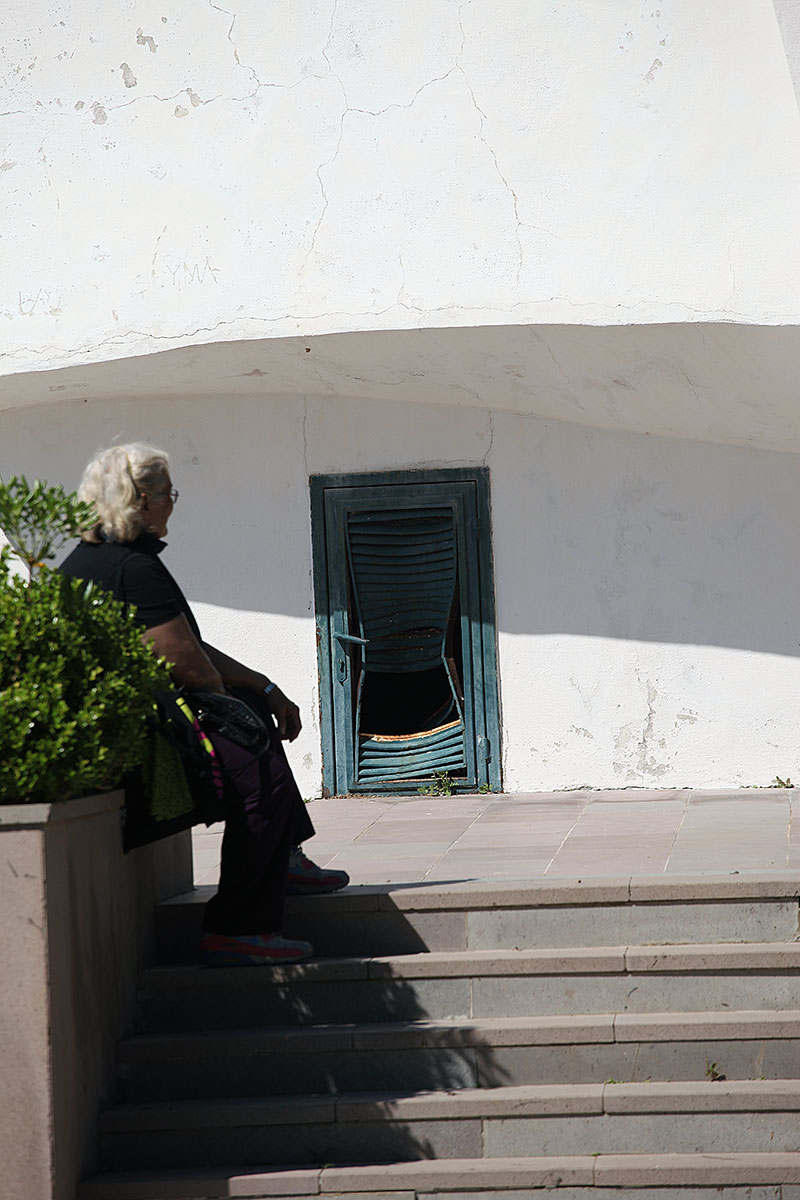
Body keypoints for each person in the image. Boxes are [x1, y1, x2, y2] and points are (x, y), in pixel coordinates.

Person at [60, 443, 348, 967]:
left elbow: (183, 642)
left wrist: (262, 687)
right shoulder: (131, 567)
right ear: (141, 501)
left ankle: (283, 859)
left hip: (139, 718)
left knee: (254, 713)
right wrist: (234, 706)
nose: (173, 504)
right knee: (258, 771)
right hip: (145, 734)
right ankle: (239, 928)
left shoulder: (93, 560)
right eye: (168, 494)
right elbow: (183, 662)